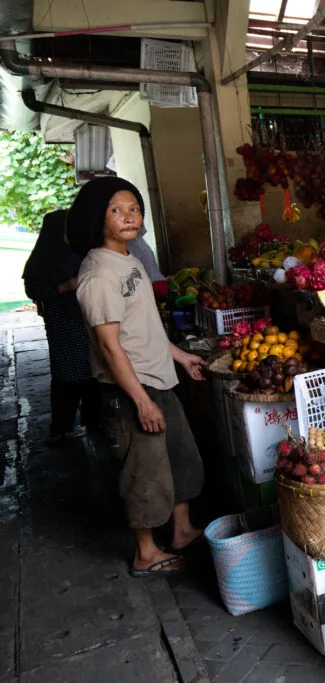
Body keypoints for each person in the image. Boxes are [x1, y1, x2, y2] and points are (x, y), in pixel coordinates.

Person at [67, 177, 208, 577]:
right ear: (98, 218)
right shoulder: (98, 274)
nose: (129, 216)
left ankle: (180, 532)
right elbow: (111, 346)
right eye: (117, 210)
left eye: (134, 208)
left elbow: (144, 326)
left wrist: (180, 357)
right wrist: (141, 401)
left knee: (181, 459)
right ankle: (146, 552)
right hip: (130, 390)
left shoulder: (129, 259)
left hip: (160, 378)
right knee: (144, 473)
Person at [22, 209, 99, 442]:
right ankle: (60, 427)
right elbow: (33, 289)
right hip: (62, 323)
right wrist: (64, 287)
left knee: (94, 373)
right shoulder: (44, 257)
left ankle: (93, 422)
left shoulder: (85, 251)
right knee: (67, 376)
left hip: (89, 319)